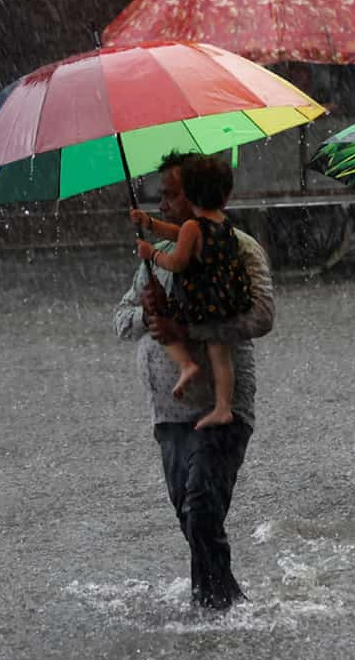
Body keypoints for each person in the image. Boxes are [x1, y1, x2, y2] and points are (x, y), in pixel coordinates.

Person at [114, 150, 274, 610]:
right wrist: (148, 314)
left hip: (221, 406)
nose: (163, 205)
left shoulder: (236, 246)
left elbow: (262, 316)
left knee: (202, 507)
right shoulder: (158, 258)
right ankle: (214, 600)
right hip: (168, 414)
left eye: (172, 195)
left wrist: (192, 330)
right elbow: (120, 320)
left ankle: (222, 604)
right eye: (159, 196)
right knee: (191, 514)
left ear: (198, 195)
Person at [130, 154, 252, 431]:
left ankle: (186, 364)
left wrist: (153, 253)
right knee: (220, 357)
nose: (163, 204)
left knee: (165, 322)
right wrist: (149, 223)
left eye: (172, 195)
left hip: (199, 306)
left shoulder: (192, 228)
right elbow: (178, 233)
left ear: (190, 195)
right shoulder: (222, 225)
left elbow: (178, 261)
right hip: (222, 304)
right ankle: (224, 405)